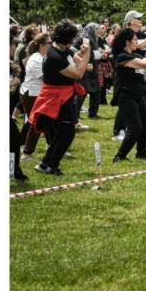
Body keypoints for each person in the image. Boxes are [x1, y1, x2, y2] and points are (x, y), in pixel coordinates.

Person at [29, 21, 89, 176]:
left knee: (63, 133)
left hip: (63, 96)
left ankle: (46, 164)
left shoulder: (63, 50)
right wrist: (87, 54)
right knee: (67, 133)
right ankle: (50, 165)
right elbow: (78, 74)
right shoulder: (54, 56)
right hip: (57, 98)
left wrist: (82, 56)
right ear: (67, 39)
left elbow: (83, 65)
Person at [111, 28, 146, 162]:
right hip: (125, 96)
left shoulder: (135, 55)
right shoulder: (122, 57)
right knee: (135, 127)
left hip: (138, 95)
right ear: (127, 42)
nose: (137, 41)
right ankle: (120, 156)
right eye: (134, 39)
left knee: (145, 125)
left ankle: (141, 153)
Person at [20, 33, 52, 160]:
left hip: (39, 94)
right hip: (31, 94)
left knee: (48, 120)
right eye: (50, 43)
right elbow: (46, 78)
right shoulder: (36, 59)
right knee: (36, 123)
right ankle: (27, 153)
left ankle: (51, 146)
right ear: (42, 45)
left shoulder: (43, 56)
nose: (52, 45)